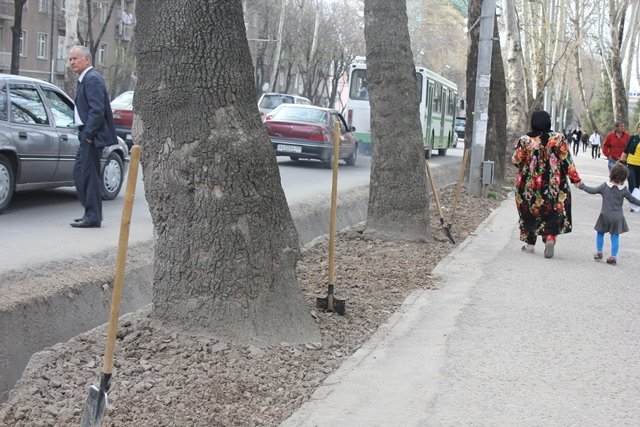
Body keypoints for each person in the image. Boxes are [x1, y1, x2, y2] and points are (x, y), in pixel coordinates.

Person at [512, 110, 582, 258]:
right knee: (552, 212)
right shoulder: (558, 139)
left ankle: (530, 244)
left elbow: (516, 160)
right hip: (553, 185)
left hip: (529, 186)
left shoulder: (525, 140)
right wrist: (576, 179)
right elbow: (567, 161)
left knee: (529, 211)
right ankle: (550, 237)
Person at [68, 45, 118, 228]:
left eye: (75, 58)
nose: (72, 62)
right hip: (86, 134)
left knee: (88, 175)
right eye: (70, 59)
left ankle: (93, 217)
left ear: (87, 60)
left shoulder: (92, 79)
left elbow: (97, 110)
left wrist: (88, 136)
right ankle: (91, 213)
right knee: (80, 173)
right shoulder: (85, 79)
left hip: (91, 135)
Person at [578, 162, 640, 265]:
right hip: (617, 217)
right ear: (624, 178)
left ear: (611, 174)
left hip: (604, 215)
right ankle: (613, 256)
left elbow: (592, 190)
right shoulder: (624, 190)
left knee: (600, 233)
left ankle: (599, 252)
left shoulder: (605, 186)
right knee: (615, 236)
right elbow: (633, 200)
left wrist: (582, 186)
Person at [620, 122, 640, 193]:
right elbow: (626, 150)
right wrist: (621, 162)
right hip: (631, 164)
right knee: (632, 184)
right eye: (639, 127)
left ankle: (634, 201)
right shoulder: (633, 137)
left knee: (637, 186)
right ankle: (631, 200)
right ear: (637, 128)